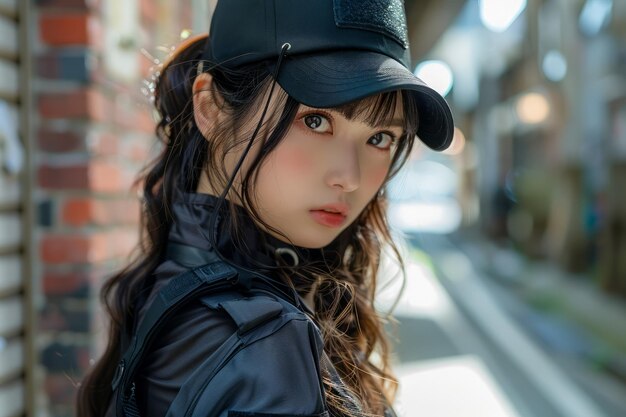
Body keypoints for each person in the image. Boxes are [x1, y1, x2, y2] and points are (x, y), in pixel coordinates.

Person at [77, 0, 454, 416]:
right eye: (315, 121)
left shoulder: (169, 283)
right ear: (211, 110)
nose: (349, 176)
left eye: (380, 137)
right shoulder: (265, 348)